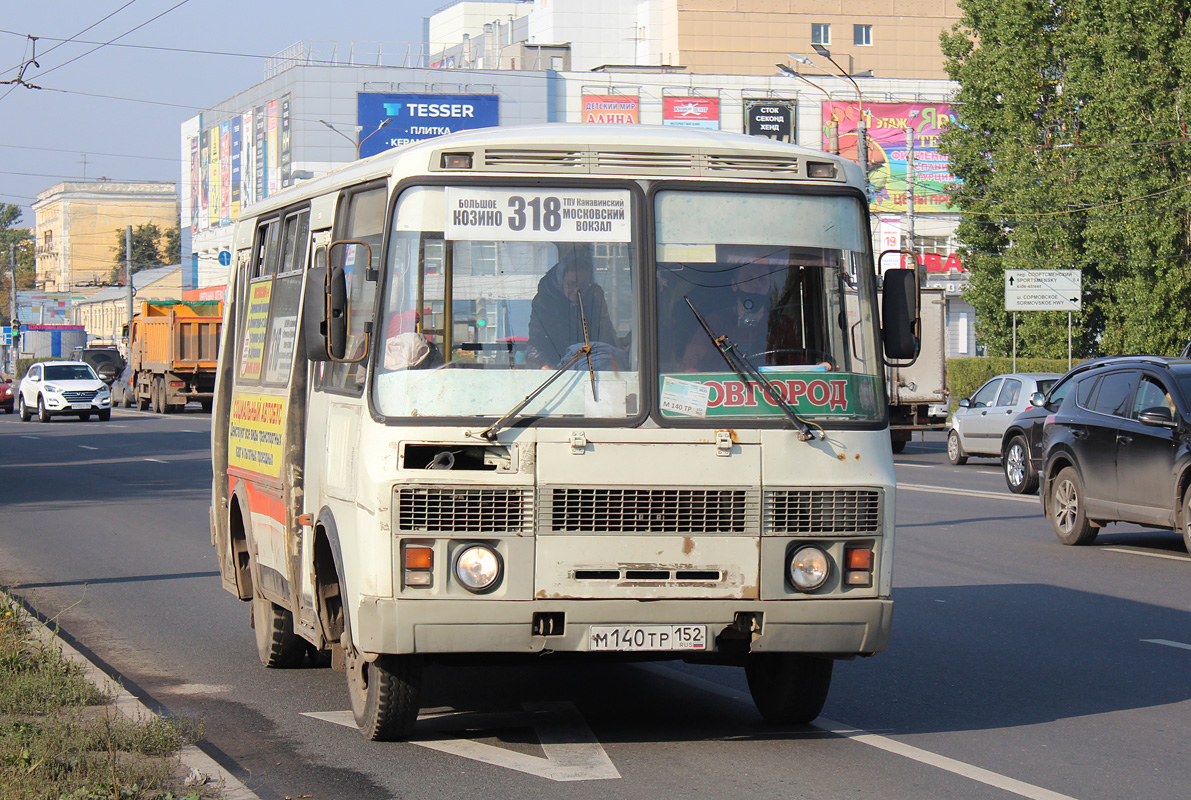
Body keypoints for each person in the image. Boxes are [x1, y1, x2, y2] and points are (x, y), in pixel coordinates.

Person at [679, 259, 822, 372]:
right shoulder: (714, 324)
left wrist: (819, 369)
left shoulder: (783, 325)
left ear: (769, 288)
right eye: (749, 278)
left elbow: (798, 370)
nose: (756, 285)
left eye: (762, 280)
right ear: (734, 285)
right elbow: (690, 370)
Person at [526, 244, 621, 369]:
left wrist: (617, 352)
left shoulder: (594, 298)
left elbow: (605, 334)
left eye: (583, 284)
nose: (577, 290)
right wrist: (546, 366)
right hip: (555, 372)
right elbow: (535, 344)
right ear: (560, 281)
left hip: (592, 368)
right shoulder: (544, 302)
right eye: (571, 283)